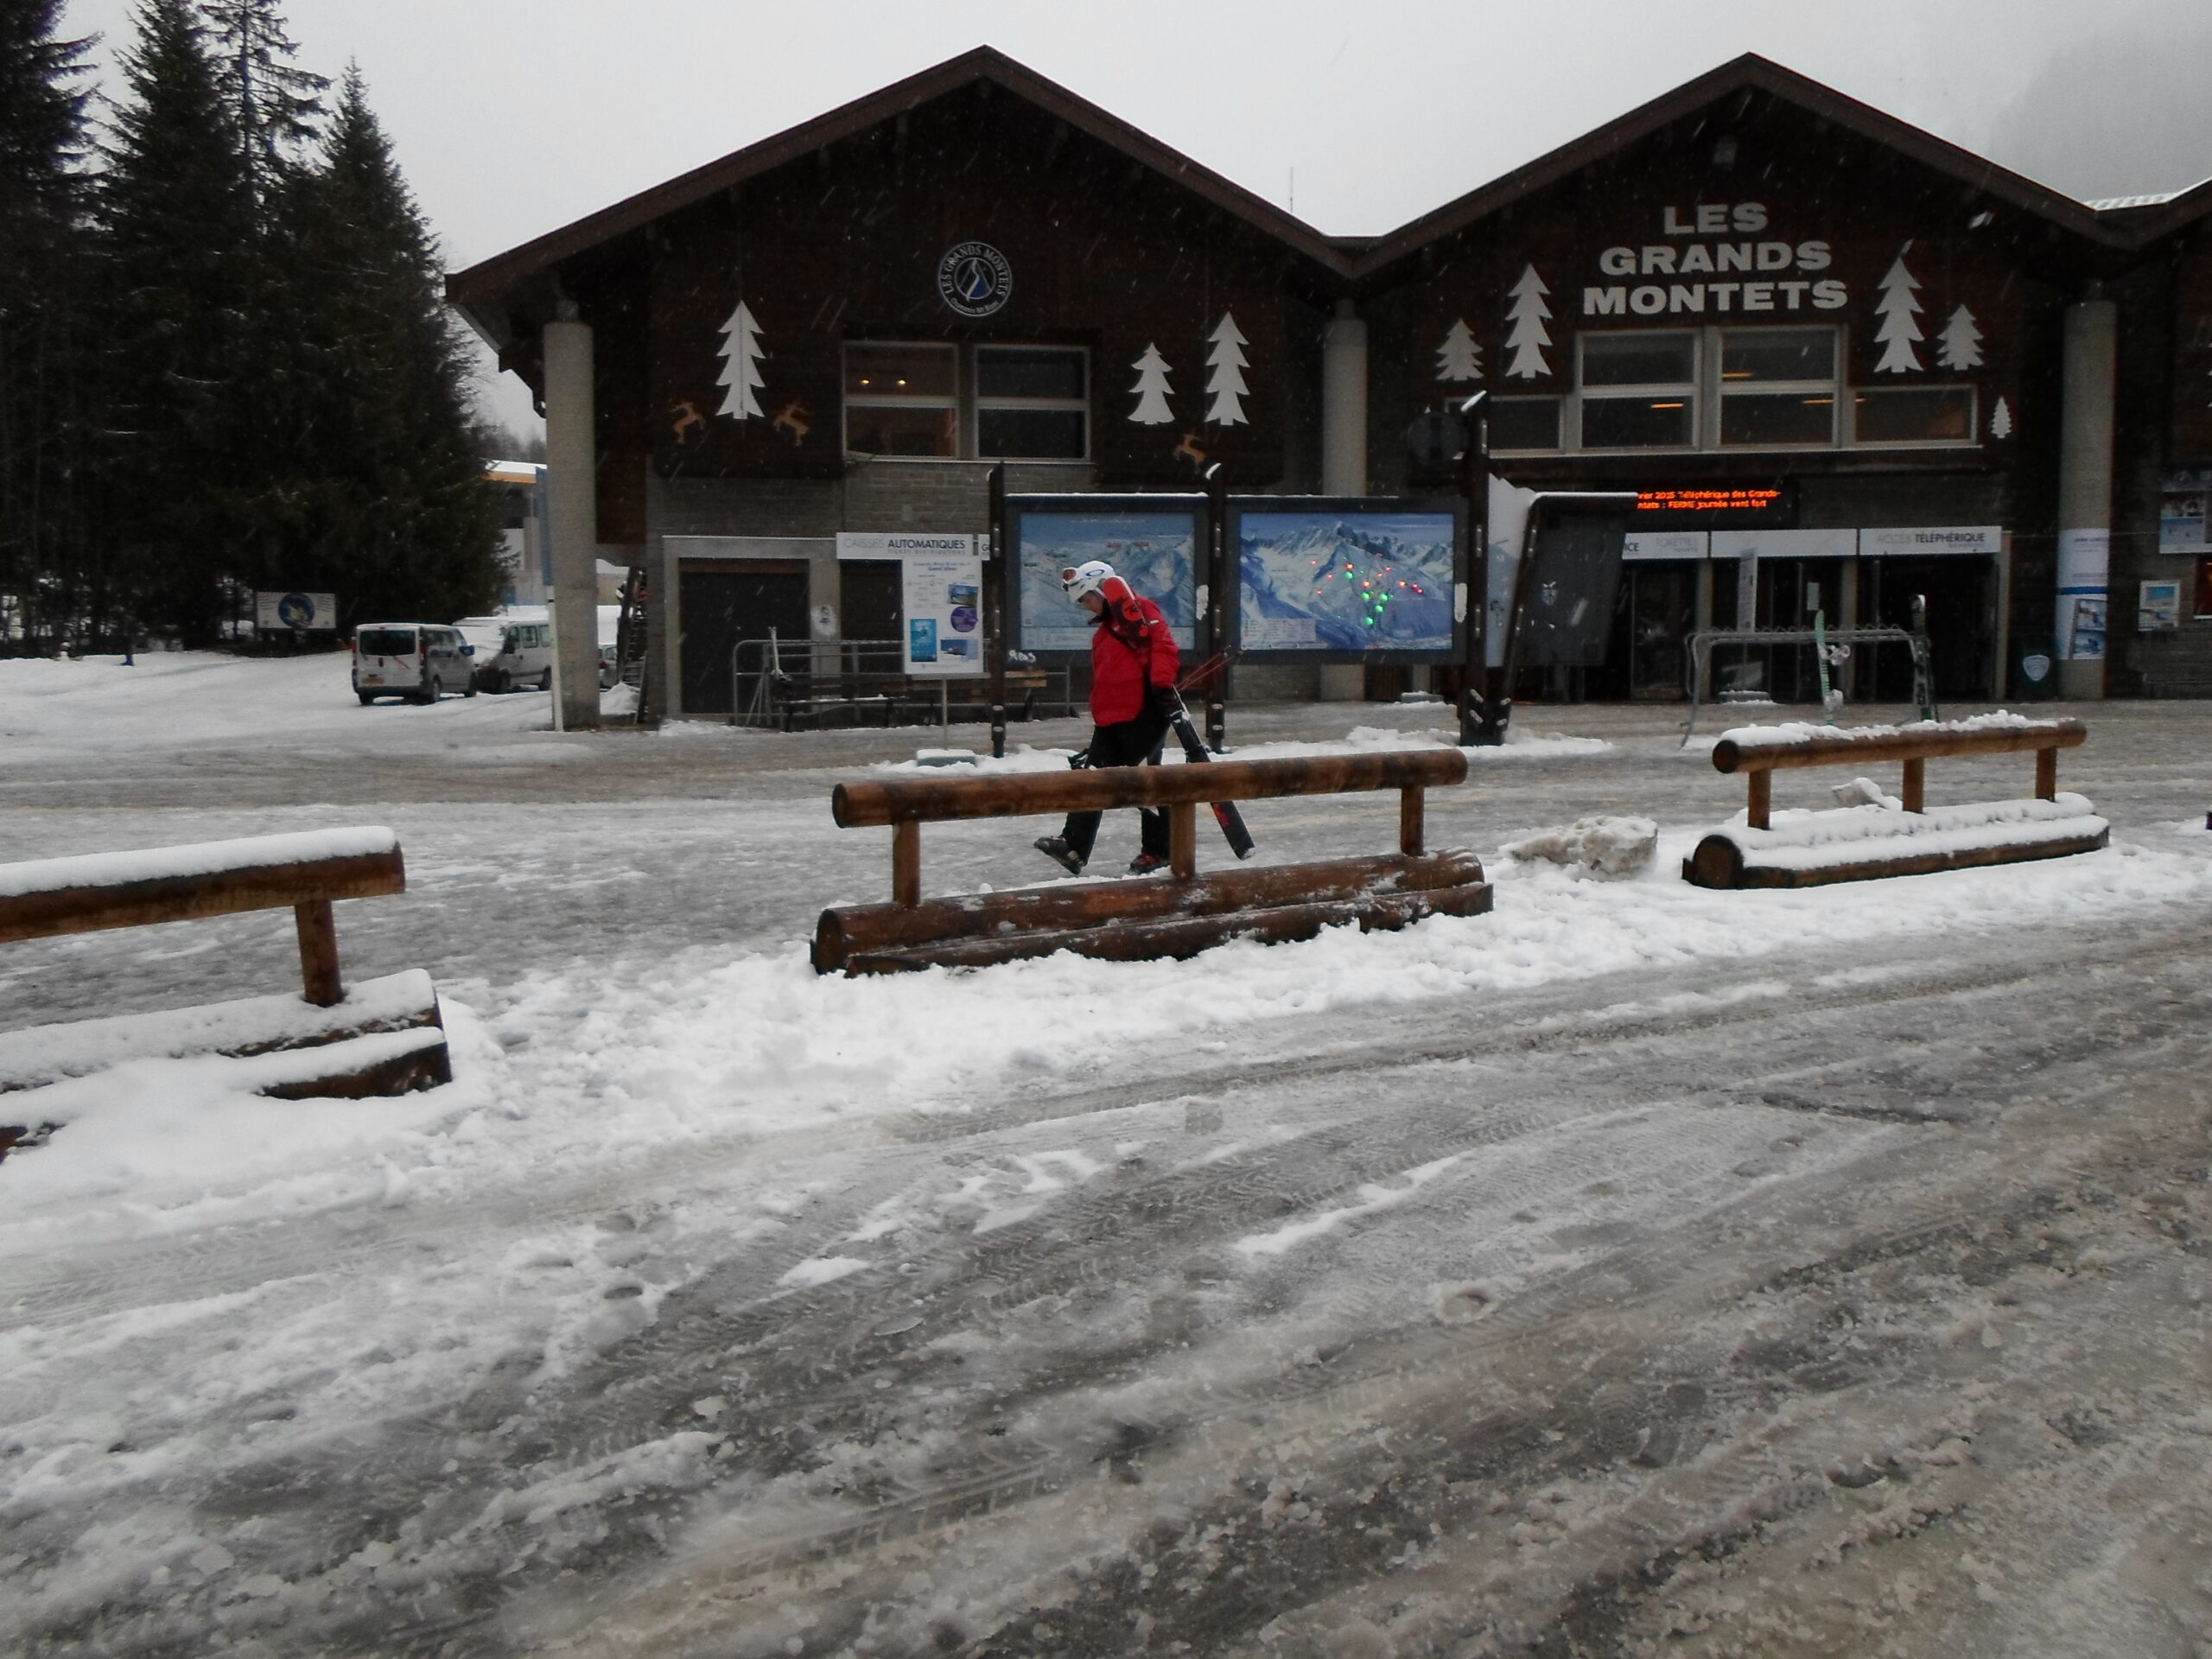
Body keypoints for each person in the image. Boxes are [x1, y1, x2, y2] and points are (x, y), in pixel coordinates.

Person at [1034, 559, 1181, 875]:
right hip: (1111, 718)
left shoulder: (1140, 610)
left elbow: (1164, 646)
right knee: (1092, 779)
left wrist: (1160, 684)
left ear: (1101, 588)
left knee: (1146, 784)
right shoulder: (1105, 629)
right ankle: (1073, 846)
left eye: (1087, 599)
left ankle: (1160, 851)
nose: (1087, 607)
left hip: (1144, 713)